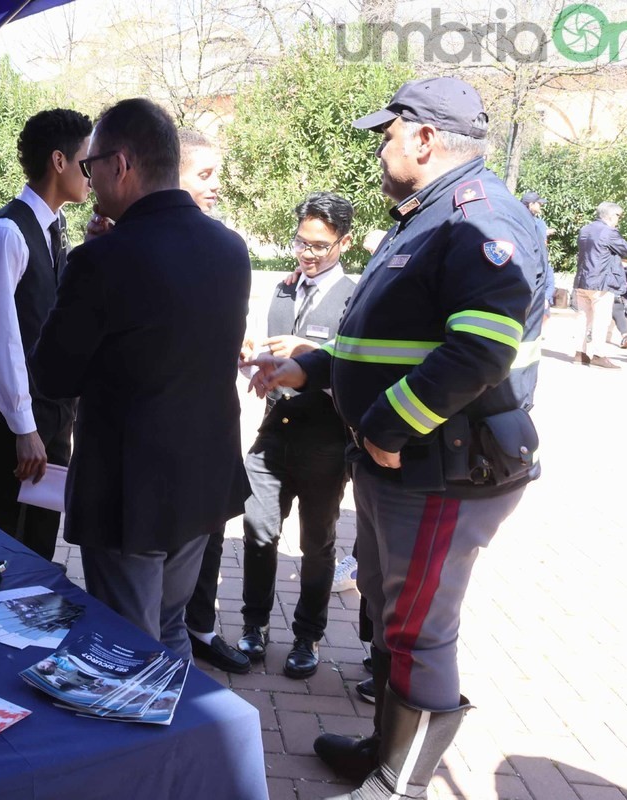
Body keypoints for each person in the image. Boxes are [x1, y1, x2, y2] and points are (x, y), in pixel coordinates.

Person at [248, 77, 545, 799]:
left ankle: (398, 784)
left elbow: (480, 349)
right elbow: (384, 339)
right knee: (389, 615)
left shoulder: (479, 220)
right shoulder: (429, 214)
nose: (380, 150)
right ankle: (386, 747)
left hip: (442, 467)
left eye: (386, 135)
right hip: (401, 463)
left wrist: (385, 424)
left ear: (423, 137)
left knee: (418, 632)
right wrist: (310, 368)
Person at [28, 98, 251, 661]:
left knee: (128, 644)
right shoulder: (229, 249)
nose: (87, 176)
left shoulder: (103, 260)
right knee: (170, 625)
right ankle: (180, 734)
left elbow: (53, 375)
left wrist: (86, 273)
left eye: (91, 164)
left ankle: (150, 745)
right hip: (201, 477)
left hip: (131, 491)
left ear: (121, 164)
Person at [235, 192, 358, 681]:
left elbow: (355, 367)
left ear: (343, 243)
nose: (307, 255)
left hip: (325, 443)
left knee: (317, 544)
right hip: (273, 435)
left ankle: (307, 637)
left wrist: (311, 351)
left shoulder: (355, 295)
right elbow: (273, 351)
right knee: (258, 530)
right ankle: (253, 626)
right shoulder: (285, 290)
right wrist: (257, 361)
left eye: (320, 247)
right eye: (301, 243)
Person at [0, 108, 93, 562]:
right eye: (87, 161)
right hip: (19, 423)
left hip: (51, 417)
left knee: (40, 536)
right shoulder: (6, 233)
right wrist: (25, 428)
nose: (92, 173)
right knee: (5, 538)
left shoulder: (49, 230)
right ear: (59, 161)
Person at [166, 129, 251, 675]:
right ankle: (169, 638)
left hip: (215, 420)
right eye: (205, 175)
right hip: (173, 429)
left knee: (213, 532)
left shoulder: (225, 244)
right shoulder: (137, 242)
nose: (216, 187)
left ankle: (201, 627)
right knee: (173, 548)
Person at [574, 202, 627, 369]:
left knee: (583, 318)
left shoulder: (585, 229)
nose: (618, 220)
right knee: (601, 320)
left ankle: (580, 353)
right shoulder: (609, 232)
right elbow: (626, 250)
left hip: (582, 280)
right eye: (617, 216)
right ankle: (599, 355)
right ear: (610, 216)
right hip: (600, 282)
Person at [521, 192, 555, 315]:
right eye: (539, 203)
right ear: (531, 204)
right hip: (536, 264)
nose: (541, 205)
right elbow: (542, 245)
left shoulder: (514, 217)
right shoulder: (538, 222)